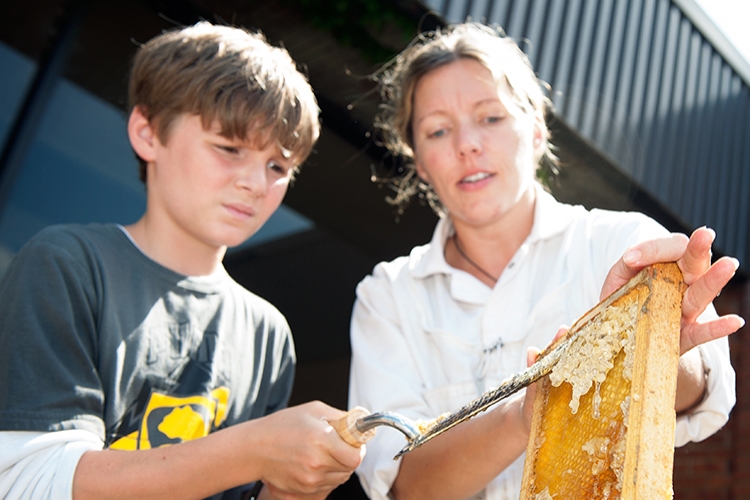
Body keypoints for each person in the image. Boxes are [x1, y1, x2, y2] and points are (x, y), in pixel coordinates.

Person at [349, 22, 743, 500]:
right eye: (437, 130)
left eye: (490, 117)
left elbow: (703, 394)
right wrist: (524, 413)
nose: (466, 144)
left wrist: (659, 348)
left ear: (536, 130)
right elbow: (403, 483)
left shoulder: (627, 243)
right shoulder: (387, 295)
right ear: (419, 160)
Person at [0, 22, 364, 500]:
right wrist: (254, 448)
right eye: (230, 148)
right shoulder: (69, 265)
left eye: (278, 166)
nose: (256, 182)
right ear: (147, 133)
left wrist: (297, 485)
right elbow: (27, 480)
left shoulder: (267, 334)